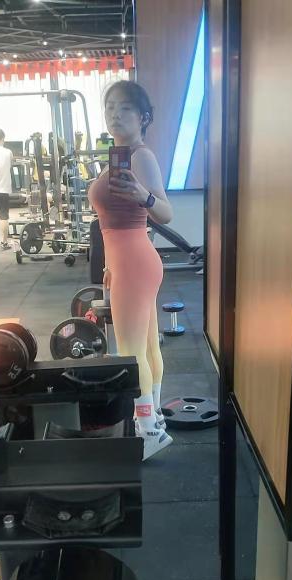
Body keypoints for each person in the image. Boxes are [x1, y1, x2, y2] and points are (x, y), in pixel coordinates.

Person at [88, 81, 173, 461]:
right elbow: (112, 222)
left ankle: (147, 430)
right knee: (148, 346)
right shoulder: (119, 156)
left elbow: (165, 212)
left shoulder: (141, 156)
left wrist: (144, 196)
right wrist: (110, 264)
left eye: (124, 108)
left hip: (135, 261)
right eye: (110, 107)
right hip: (128, 261)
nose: (115, 114)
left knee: (131, 351)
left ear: (144, 117)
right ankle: (155, 421)